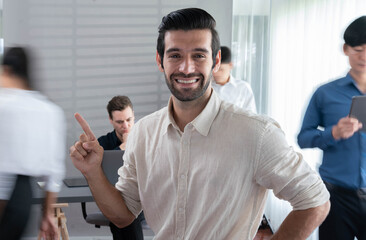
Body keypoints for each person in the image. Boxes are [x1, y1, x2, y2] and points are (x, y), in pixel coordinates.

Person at [70, 8, 330, 239]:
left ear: (215, 61)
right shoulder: (143, 133)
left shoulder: (256, 133)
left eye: (198, 55)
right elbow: (124, 215)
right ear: (160, 61)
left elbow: (315, 201)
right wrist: (93, 172)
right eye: (175, 55)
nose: (186, 68)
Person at [298, 16, 366, 240]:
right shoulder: (325, 93)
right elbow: (304, 138)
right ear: (346, 49)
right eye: (358, 49)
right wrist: (333, 133)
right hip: (336, 197)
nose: (363, 56)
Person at [0, 47, 66, 239]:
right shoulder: (49, 111)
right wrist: (47, 214)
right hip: (21, 199)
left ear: (7, 70)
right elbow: (54, 172)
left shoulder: (3, 103)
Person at [98, 95, 143, 240]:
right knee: (120, 209)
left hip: (140, 199)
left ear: (133, 116)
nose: (125, 125)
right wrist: (124, 147)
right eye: (119, 122)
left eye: (129, 120)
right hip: (113, 198)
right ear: (111, 120)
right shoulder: (103, 143)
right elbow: (101, 175)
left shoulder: (144, 138)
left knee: (126, 211)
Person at [212, 46, 257, 112]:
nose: (216, 73)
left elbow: (252, 116)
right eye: (214, 69)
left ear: (231, 65)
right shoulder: (206, 87)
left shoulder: (243, 88)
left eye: (221, 69)